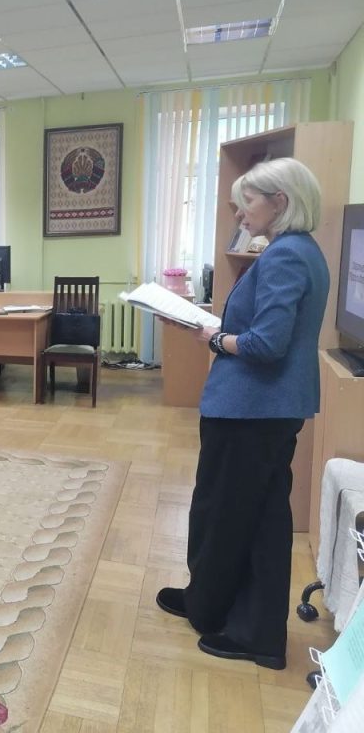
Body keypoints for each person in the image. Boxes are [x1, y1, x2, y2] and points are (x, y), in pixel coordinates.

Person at [155, 157, 330, 671]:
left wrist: (215, 338)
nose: (238, 212)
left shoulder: (285, 256)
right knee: (247, 514)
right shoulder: (300, 249)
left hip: (253, 408)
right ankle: (211, 602)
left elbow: (266, 344)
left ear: (280, 202)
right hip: (263, 408)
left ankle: (251, 633)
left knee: (230, 515)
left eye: (247, 201)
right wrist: (216, 329)